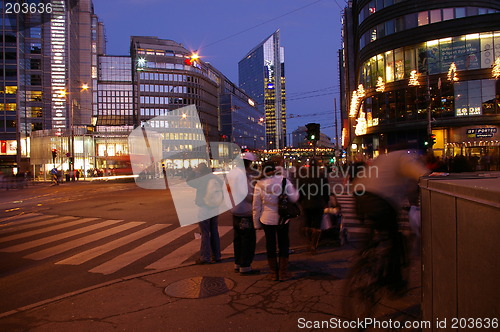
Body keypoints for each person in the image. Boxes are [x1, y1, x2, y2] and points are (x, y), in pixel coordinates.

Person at [353, 149, 430, 294]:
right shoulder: (406, 157)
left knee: (372, 228)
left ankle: (365, 257)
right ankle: (394, 283)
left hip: (359, 194)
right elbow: (422, 175)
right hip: (381, 200)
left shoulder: (382, 158)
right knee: (395, 241)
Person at [253, 160, 299, 281]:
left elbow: (256, 206)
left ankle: (274, 273)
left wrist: (256, 223)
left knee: (270, 244)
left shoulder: (259, 184)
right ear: (274, 169)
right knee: (284, 244)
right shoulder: (284, 181)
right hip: (282, 219)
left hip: (266, 219)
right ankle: (283, 272)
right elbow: (294, 198)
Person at [227, 152, 260, 275]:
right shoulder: (243, 175)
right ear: (248, 163)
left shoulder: (231, 173)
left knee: (238, 238)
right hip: (245, 211)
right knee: (248, 239)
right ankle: (245, 266)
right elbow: (246, 194)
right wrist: (257, 198)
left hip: (235, 210)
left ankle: (238, 263)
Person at [187, 163, 222, 264]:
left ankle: (205, 257)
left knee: (205, 233)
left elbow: (189, 181)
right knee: (214, 232)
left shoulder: (202, 179)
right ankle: (217, 256)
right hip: (215, 208)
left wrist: (193, 171)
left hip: (204, 209)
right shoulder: (216, 179)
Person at [297, 160, 330, 254]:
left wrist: (301, 201)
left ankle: (308, 242)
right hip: (319, 203)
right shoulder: (322, 176)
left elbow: (300, 190)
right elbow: (326, 190)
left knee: (307, 223)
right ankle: (313, 245)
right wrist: (326, 201)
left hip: (306, 203)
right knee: (317, 225)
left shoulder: (303, 177)